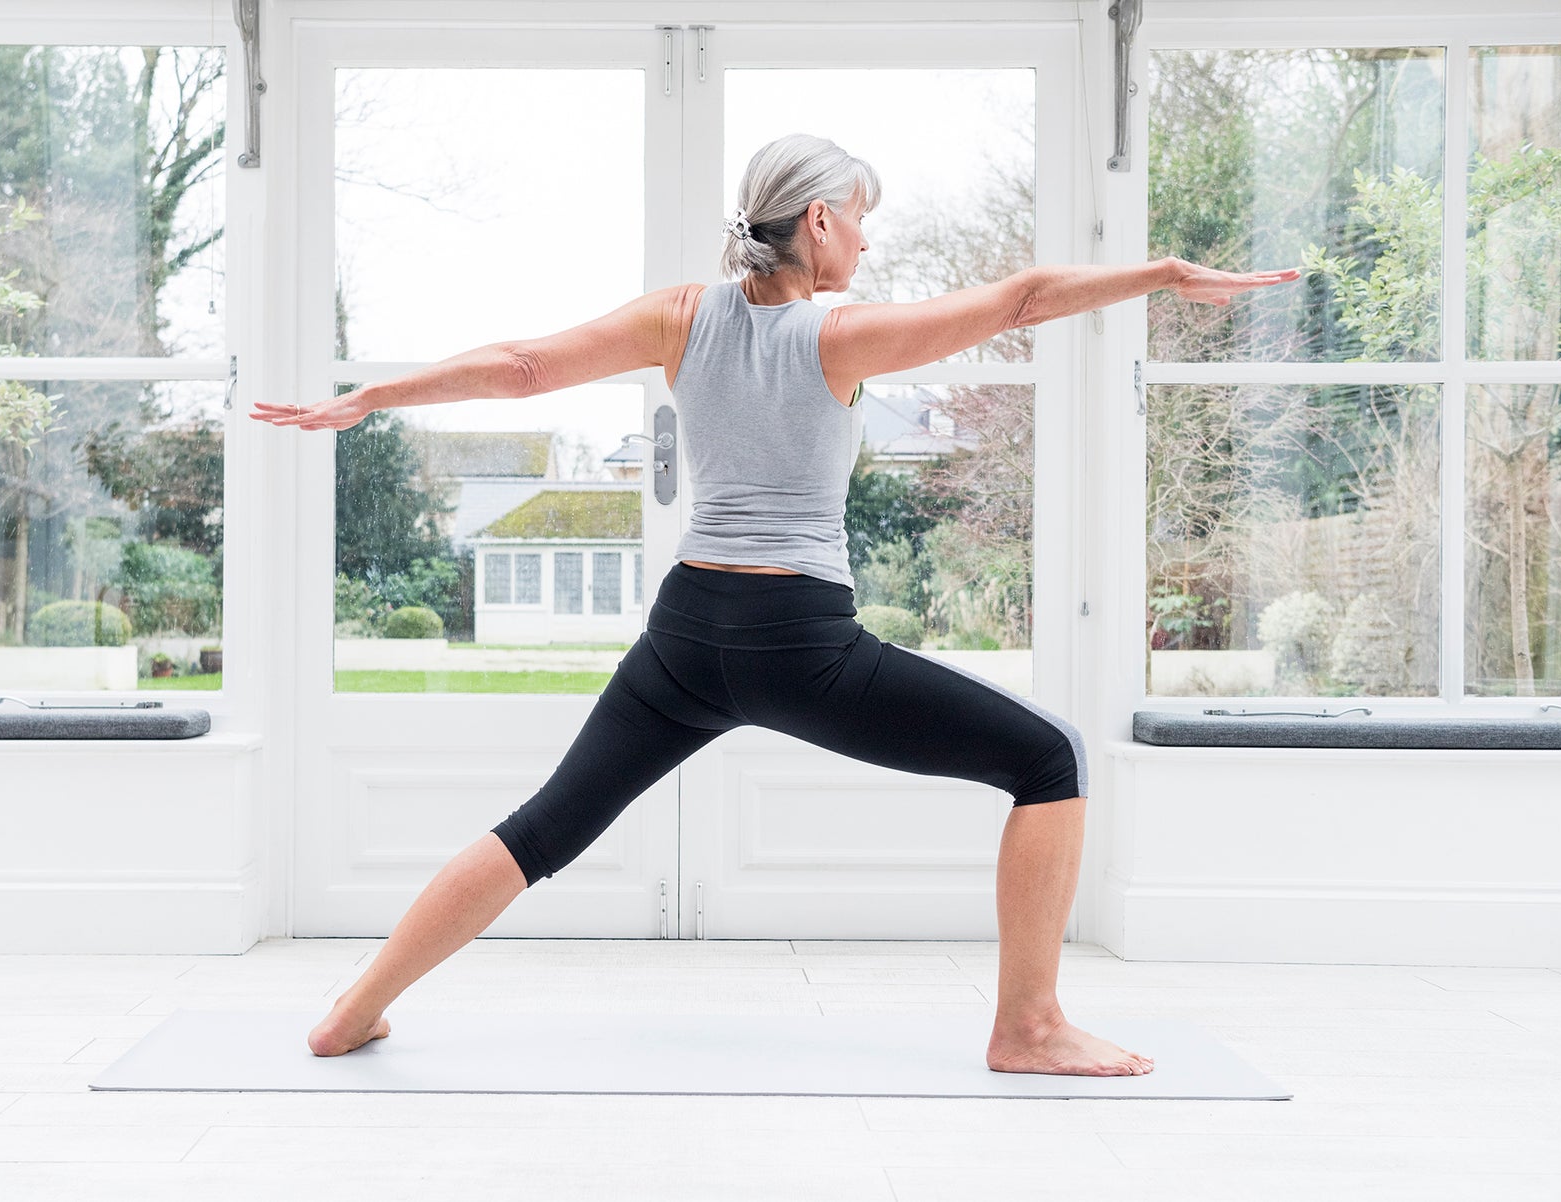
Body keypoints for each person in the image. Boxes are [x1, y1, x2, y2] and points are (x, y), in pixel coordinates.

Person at [253, 132, 1298, 1076]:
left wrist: (375, 397)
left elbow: (523, 366)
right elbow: (1021, 299)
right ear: (819, 221)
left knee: (544, 827)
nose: (868, 247)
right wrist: (1161, 273)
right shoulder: (838, 332)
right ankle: (1027, 1025)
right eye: (863, 221)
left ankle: (355, 1008)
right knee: (1048, 758)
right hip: (800, 644)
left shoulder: (680, 315)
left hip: (684, 635)